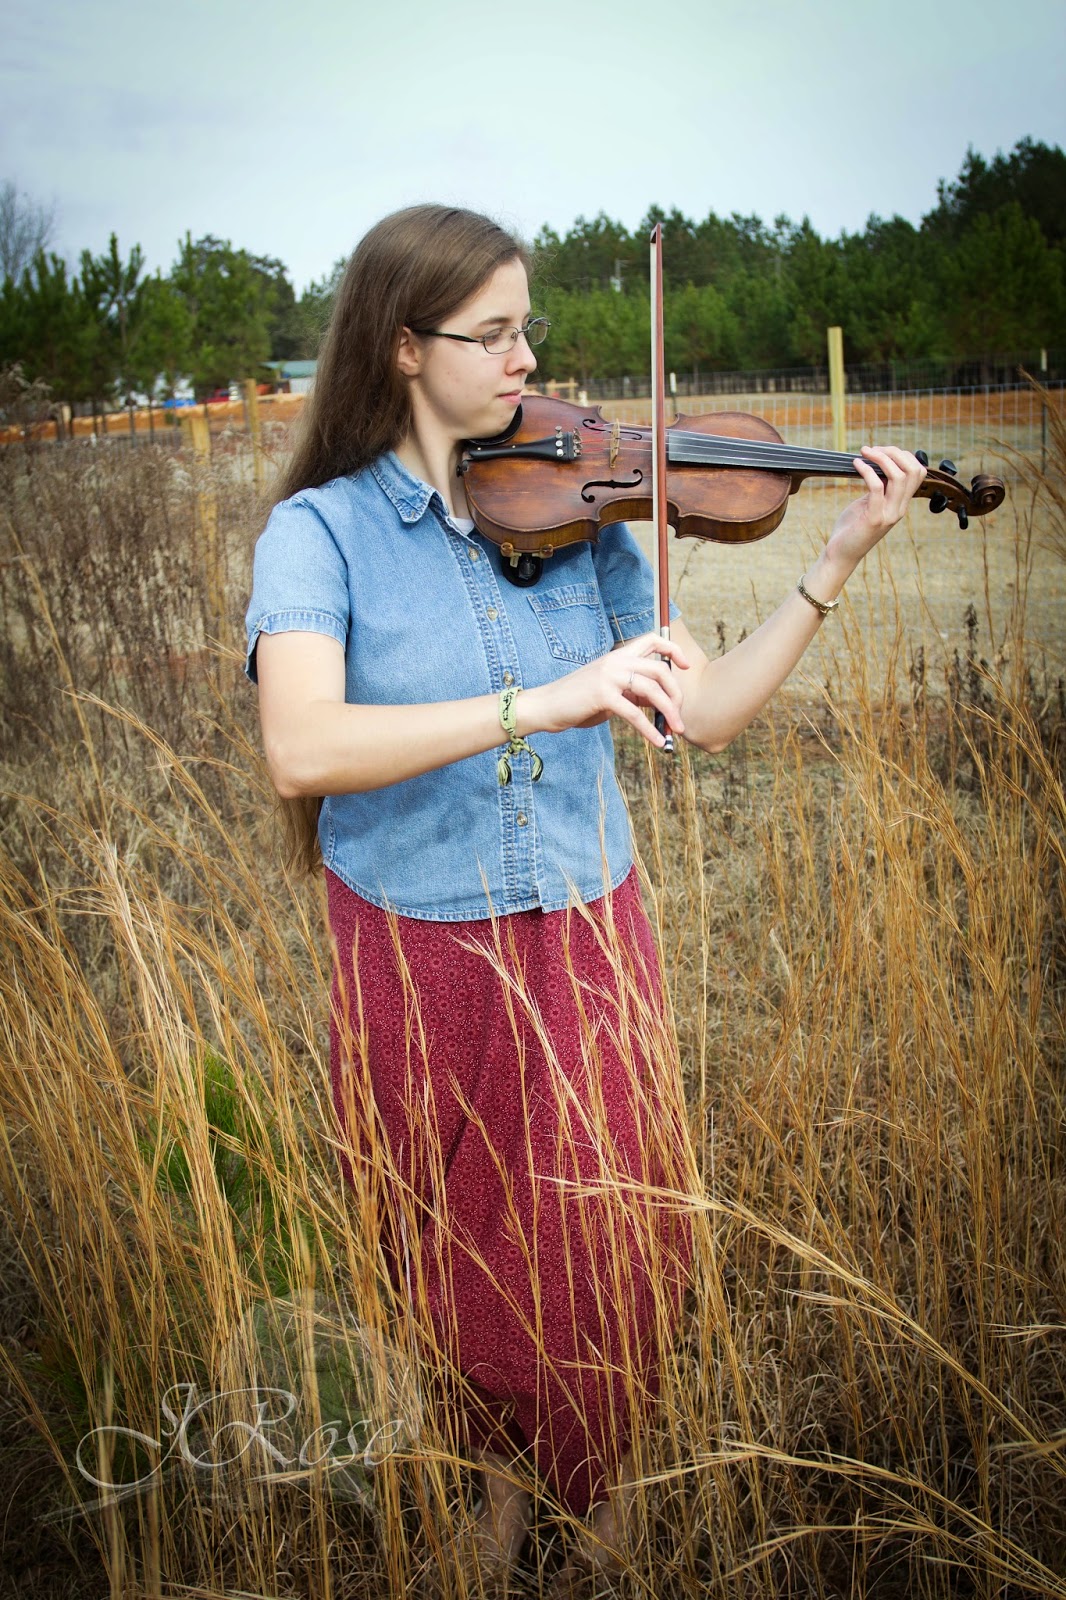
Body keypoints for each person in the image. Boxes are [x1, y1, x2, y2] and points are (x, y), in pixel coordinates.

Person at [245, 203, 926, 1592]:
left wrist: (834, 561)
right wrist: (542, 702)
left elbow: (700, 715)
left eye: (528, 328)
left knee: (608, 1232)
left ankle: (607, 1513)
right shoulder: (319, 535)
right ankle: (494, 1503)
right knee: (456, 1249)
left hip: (582, 925)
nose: (527, 360)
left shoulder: (589, 510)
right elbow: (300, 748)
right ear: (402, 348)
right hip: (418, 944)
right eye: (491, 333)